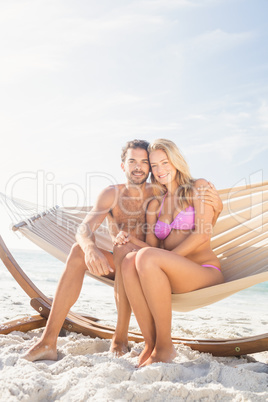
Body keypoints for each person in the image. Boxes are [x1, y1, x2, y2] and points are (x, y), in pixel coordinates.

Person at [22, 139, 222, 362]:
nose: (140, 167)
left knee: (127, 251)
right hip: (133, 264)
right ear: (122, 165)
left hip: (153, 264)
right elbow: (84, 229)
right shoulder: (115, 195)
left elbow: (199, 220)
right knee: (82, 250)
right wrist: (89, 248)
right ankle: (48, 341)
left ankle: (121, 337)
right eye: (133, 161)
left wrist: (219, 207)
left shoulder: (158, 191)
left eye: (145, 162)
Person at [113, 139, 224, 367]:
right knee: (129, 261)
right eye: (154, 166)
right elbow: (154, 251)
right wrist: (131, 240)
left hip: (204, 271)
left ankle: (165, 347)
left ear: (176, 162)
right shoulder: (156, 204)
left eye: (165, 162)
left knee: (143, 257)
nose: (160, 170)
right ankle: (150, 344)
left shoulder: (198, 187)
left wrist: (168, 259)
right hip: (172, 275)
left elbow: (202, 234)